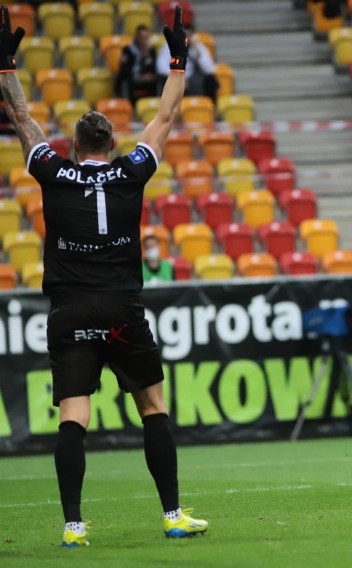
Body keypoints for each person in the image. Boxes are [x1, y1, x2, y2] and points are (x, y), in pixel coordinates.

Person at [0, 6, 207, 546]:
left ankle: (72, 526)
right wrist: (178, 58)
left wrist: (5, 66)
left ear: (72, 148)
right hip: (121, 309)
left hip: (69, 311)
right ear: (111, 145)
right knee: (152, 407)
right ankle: (172, 516)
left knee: (74, 417)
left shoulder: (52, 170)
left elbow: (23, 121)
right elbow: (163, 120)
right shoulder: (132, 170)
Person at [156, 21, 217, 100]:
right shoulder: (168, 47)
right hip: (175, 78)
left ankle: (208, 106)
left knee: (211, 80)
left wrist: (198, 54)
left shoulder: (199, 48)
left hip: (193, 79)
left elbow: (209, 69)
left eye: (189, 35)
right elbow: (161, 67)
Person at [115, 24, 158, 105]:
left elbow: (154, 70)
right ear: (137, 38)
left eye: (146, 38)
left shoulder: (151, 51)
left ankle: (151, 107)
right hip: (131, 80)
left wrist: (146, 57)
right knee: (125, 82)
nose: (144, 41)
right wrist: (140, 77)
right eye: (142, 38)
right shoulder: (128, 50)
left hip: (146, 82)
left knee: (155, 82)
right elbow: (124, 71)